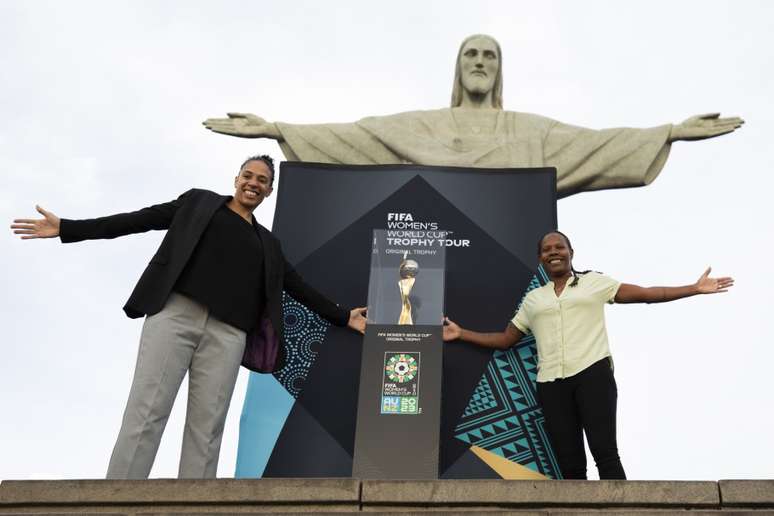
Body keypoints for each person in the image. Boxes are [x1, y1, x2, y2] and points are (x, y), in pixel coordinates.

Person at [10, 155, 367, 479]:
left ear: (269, 191)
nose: (253, 183)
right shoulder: (198, 203)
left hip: (228, 335)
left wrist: (341, 316)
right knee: (147, 410)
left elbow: (297, 286)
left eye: (262, 180)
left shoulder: (268, 244)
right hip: (176, 316)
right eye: (249, 175)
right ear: (237, 178)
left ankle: (195, 500)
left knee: (207, 426)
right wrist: (68, 229)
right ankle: (117, 494)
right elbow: (140, 219)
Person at [203, 34, 743, 198]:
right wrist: (278, 129)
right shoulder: (422, 125)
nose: (480, 63)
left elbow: (595, 145)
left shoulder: (530, 131)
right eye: (471, 55)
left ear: (498, 70)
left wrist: (669, 131)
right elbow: (362, 138)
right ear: (458, 68)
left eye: (490, 56)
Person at [442, 231, 733, 479]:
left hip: (592, 374)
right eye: (547, 250)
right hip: (551, 384)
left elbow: (647, 293)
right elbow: (506, 339)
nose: (553, 252)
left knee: (605, 454)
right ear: (540, 258)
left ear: (571, 252)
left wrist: (694, 289)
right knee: (570, 466)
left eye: (559, 247)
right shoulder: (534, 299)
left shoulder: (595, 282)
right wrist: (461, 333)